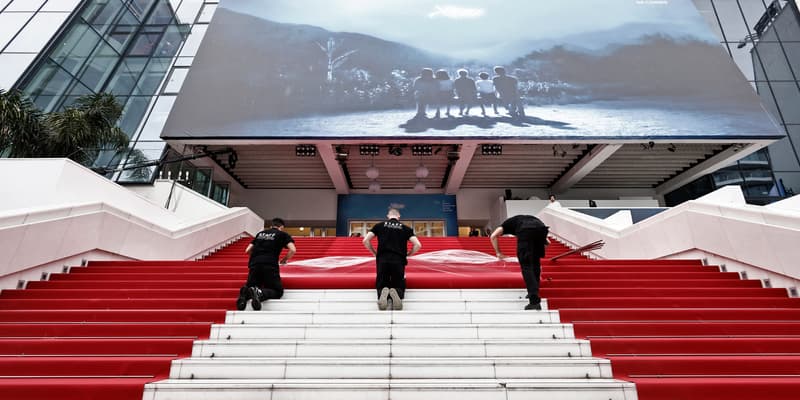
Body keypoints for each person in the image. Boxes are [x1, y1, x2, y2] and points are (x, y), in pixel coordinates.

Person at [363, 208, 422, 310]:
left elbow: (365, 240)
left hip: (382, 258)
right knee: (399, 282)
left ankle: (383, 291)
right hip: (398, 259)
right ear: (399, 216)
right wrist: (408, 254)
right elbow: (418, 245)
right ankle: (397, 293)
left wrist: (375, 253)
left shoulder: (379, 226)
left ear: (388, 216)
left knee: (381, 281)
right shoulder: (406, 228)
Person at [490, 215, 550, 310]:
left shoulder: (505, 225)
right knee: (535, 264)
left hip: (526, 230)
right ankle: (534, 291)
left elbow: (493, 236)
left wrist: (498, 253)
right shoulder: (520, 220)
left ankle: (534, 301)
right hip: (541, 228)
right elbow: (547, 242)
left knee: (526, 265)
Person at [236, 218, 296, 311]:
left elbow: (247, 250)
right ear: (281, 227)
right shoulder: (282, 234)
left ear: (271, 226)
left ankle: (244, 293)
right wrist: (284, 260)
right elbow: (292, 249)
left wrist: (258, 256)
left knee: (252, 285)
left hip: (254, 264)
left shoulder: (260, 234)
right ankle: (260, 293)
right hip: (269, 264)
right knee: (277, 291)